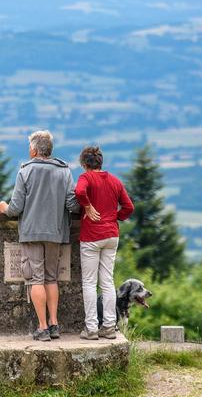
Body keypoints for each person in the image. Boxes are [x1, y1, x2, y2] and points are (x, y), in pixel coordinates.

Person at [0, 130, 79, 342]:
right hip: (56, 232)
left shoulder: (25, 171)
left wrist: (4, 207)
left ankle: (42, 328)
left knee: (36, 279)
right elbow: (72, 204)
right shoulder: (65, 171)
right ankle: (54, 324)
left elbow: (15, 208)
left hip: (32, 232)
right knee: (52, 278)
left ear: (34, 150)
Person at [75, 146, 134, 340]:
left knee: (90, 283)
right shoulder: (114, 180)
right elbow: (129, 207)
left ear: (84, 164)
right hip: (111, 235)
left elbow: (79, 191)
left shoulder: (86, 178)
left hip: (92, 235)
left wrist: (87, 206)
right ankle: (109, 326)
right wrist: (114, 217)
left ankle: (91, 328)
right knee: (107, 282)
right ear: (101, 162)